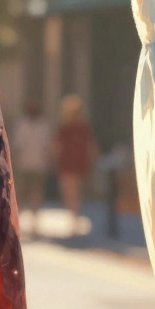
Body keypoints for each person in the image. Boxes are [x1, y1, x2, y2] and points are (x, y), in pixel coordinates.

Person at [11, 98, 53, 237]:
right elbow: (17, 146)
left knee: (36, 192)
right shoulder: (22, 125)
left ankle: (34, 219)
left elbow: (47, 146)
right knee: (23, 192)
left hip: (38, 164)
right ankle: (20, 219)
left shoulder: (43, 126)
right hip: (24, 164)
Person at [54, 94, 99, 224]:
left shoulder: (64, 128)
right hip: (80, 163)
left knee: (70, 191)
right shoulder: (84, 128)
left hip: (67, 163)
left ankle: (73, 214)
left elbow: (57, 147)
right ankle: (75, 213)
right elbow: (92, 146)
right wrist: (93, 160)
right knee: (77, 191)